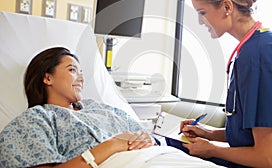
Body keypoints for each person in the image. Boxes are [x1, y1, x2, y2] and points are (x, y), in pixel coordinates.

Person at [179, 0, 272, 167]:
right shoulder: (261, 44)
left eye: (202, 12)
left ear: (227, 6)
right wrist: (209, 134)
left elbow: (270, 158)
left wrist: (211, 149)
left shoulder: (259, 56)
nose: (200, 21)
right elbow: (255, 135)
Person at [0, 47, 156, 168]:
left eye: (81, 72)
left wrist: (147, 139)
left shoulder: (101, 109)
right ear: (48, 78)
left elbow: (144, 136)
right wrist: (112, 145)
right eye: (72, 70)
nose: (81, 79)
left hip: (160, 158)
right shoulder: (34, 120)